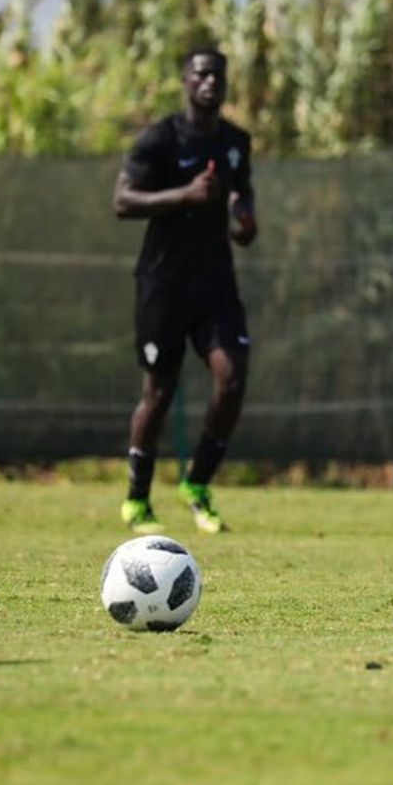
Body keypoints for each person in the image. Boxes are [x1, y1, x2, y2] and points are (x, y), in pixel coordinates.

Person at [113, 48, 257, 535]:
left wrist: (243, 218)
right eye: (201, 74)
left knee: (233, 378)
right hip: (163, 284)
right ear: (185, 81)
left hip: (215, 284)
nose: (210, 82)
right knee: (159, 391)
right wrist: (184, 196)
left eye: (218, 75)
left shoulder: (236, 142)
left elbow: (242, 193)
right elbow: (122, 201)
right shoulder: (159, 139)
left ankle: (196, 484)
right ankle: (137, 499)